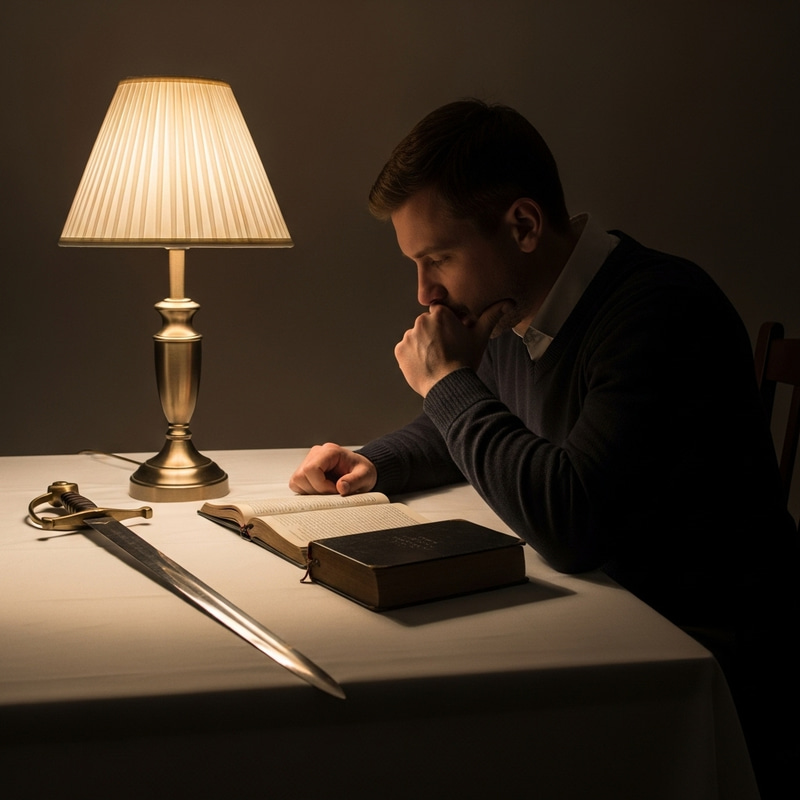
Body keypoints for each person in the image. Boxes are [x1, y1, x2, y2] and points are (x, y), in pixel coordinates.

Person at [290, 99, 796, 793]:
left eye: (437, 258)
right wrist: (376, 458)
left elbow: (573, 522)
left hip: (716, 671)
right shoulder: (512, 309)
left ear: (523, 226)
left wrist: (445, 381)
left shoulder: (658, 312)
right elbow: (467, 424)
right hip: (608, 626)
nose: (424, 291)